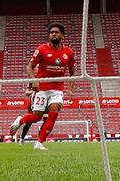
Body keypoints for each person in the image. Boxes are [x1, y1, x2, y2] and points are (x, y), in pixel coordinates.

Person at [10, 23, 76, 151]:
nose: (53, 34)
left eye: (56, 32)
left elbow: (73, 72)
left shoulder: (69, 52)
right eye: (51, 32)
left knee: (54, 113)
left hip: (57, 90)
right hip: (42, 89)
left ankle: (39, 143)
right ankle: (20, 120)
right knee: (36, 117)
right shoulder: (41, 49)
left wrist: (70, 88)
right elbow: (29, 67)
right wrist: (33, 80)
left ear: (62, 35)